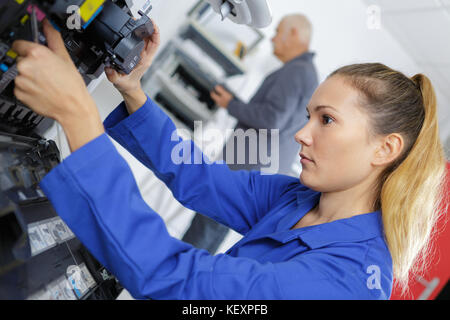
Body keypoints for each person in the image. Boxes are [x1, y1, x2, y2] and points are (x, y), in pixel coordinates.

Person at [12, 19, 446, 299]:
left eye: (326, 120)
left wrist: (78, 115)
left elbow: (180, 281)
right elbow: (201, 176)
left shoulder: (346, 280)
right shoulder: (296, 199)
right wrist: (134, 91)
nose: (300, 133)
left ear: (384, 149)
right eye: (309, 116)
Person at [183, 14, 319, 254]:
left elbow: (272, 119)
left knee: (206, 226)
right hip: (255, 171)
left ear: (295, 35)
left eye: (278, 32)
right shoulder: (305, 73)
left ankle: (169, 283)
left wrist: (231, 104)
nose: (273, 39)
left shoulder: (297, 71)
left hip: (247, 169)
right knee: (214, 229)